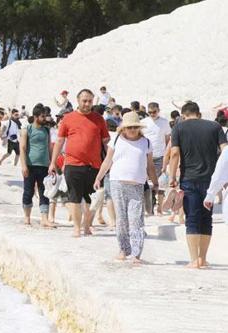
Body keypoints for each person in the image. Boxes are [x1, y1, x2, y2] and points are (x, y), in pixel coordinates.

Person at [94, 112, 158, 264]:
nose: (132, 130)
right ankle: (123, 249)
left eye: (135, 127)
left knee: (136, 220)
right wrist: (98, 177)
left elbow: (150, 166)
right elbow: (107, 161)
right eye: (129, 127)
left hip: (137, 185)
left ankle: (136, 254)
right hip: (117, 183)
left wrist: (155, 182)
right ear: (123, 128)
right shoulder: (115, 140)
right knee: (121, 219)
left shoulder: (146, 142)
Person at [169, 102, 227, 269]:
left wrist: (172, 177)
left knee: (192, 219)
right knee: (206, 219)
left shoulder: (179, 128)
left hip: (189, 178)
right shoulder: (215, 126)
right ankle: (203, 258)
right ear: (199, 113)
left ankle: (194, 260)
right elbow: (225, 151)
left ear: (183, 115)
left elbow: (174, 154)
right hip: (211, 180)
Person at [49, 89, 110, 237]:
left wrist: (109, 161)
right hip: (73, 164)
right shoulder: (68, 118)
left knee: (92, 198)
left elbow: (106, 142)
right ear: (78, 101)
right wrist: (52, 163)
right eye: (84, 101)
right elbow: (59, 141)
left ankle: (87, 226)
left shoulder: (99, 119)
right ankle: (77, 227)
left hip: (94, 165)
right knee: (74, 197)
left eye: (89, 100)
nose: (87, 104)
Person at [20, 104, 54, 228]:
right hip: (30, 165)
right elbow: (22, 148)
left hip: (44, 165)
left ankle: (44, 218)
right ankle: (27, 217)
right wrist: (23, 165)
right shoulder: (27, 129)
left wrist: (52, 163)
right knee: (28, 191)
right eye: (42, 116)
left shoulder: (46, 130)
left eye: (45, 116)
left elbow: (49, 147)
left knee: (44, 192)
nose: (45, 118)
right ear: (35, 117)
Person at [140, 102, 171, 215]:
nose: (152, 114)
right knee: (145, 182)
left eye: (154, 112)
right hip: (146, 156)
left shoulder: (164, 122)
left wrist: (168, 156)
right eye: (150, 112)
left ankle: (159, 207)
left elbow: (168, 139)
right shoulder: (143, 122)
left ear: (159, 110)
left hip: (160, 156)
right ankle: (148, 207)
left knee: (161, 183)